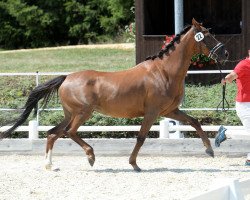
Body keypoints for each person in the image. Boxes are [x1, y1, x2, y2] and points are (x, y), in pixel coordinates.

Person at [215, 49, 250, 166]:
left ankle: (226, 132)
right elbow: (232, 75)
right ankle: (226, 133)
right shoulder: (243, 65)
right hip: (245, 105)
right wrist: (226, 79)